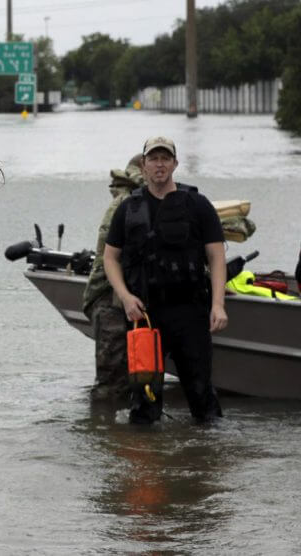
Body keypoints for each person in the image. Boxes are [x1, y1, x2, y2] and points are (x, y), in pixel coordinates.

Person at [103, 136, 227, 425]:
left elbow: (216, 256)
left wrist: (218, 305)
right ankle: (147, 464)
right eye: (154, 159)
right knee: (144, 400)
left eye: (165, 158)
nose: (160, 165)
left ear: (175, 163)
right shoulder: (128, 208)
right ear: (144, 165)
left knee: (202, 397)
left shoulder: (197, 205)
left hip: (190, 312)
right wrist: (124, 296)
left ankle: (207, 461)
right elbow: (110, 259)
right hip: (145, 316)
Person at [82, 154, 145, 403]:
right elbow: (110, 257)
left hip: (124, 300)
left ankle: (115, 434)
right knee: (112, 382)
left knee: (131, 377)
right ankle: (105, 433)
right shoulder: (125, 204)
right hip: (110, 301)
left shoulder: (135, 201)